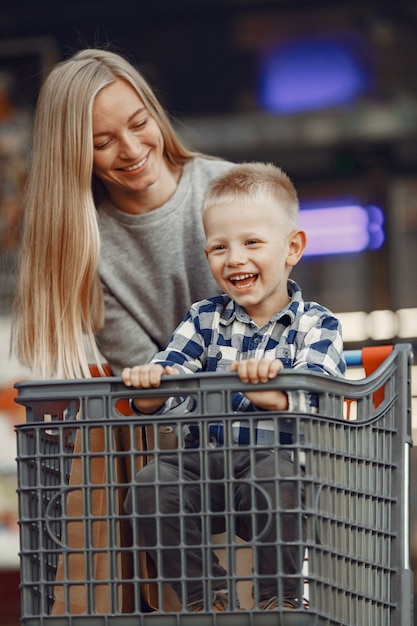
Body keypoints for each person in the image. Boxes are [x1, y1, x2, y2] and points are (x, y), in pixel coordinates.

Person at [122, 162, 346, 612]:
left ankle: (277, 598)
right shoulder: (203, 318)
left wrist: (277, 396)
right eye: (219, 247)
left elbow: (325, 398)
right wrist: (150, 385)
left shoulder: (315, 324)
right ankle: (207, 598)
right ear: (207, 256)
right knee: (150, 483)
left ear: (292, 248)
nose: (235, 258)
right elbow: (169, 382)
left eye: (252, 243)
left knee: (278, 476)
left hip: (276, 469)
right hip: (202, 464)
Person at [11, 48, 233, 379]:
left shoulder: (232, 189)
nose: (131, 150)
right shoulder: (85, 248)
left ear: (155, 113)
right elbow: (150, 383)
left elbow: (275, 321)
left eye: (140, 123)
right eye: (102, 143)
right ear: (74, 157)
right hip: (173, 423)